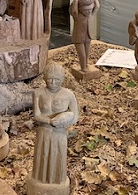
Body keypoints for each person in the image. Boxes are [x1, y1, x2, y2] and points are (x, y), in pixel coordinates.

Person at [29, 62, 79, 193]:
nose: (52, 82)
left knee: (58, 155)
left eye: (56, 80)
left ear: (62, 80)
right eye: (49, 79)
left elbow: (75, 116)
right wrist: (50, 121)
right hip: (44, 131)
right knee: (43, 156)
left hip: (59, 132)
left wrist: (65, 118)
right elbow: (36, 115)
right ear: (44, 78)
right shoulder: (38, 93)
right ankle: (39, 181)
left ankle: (57, 181)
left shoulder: (68, 94)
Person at [69, 0, 100, 72]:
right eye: (86, 10)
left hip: (88, 36)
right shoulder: (77, 16)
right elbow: (74, 11)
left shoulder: (90, 15)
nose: (89, 11)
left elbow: (97, 7)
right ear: (80, 9)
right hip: (79, 38)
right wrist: (76, 1)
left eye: (90, 9)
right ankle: (83, 67)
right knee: (82, 54)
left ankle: (85, 64)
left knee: (87, 53)